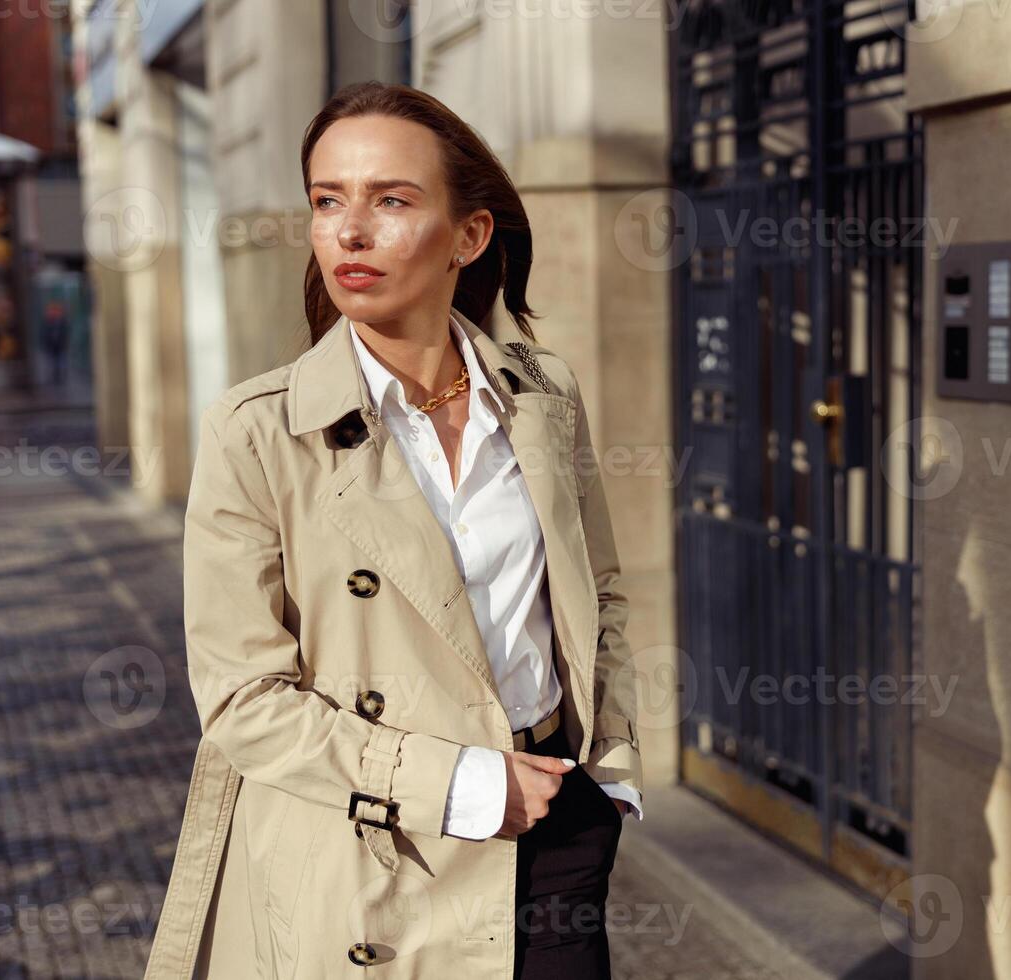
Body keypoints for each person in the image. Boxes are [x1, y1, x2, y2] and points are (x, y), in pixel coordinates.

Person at [143, 82, 642, 980]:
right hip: (371, 846)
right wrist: (460, 785)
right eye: (327, 201)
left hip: (552, 826)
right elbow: (240, 701)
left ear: (469, 237)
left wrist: (609, 767)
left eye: (391, 201)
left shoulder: (542, 395)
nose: (349, 230)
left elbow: (597, 590)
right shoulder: (258, 431)